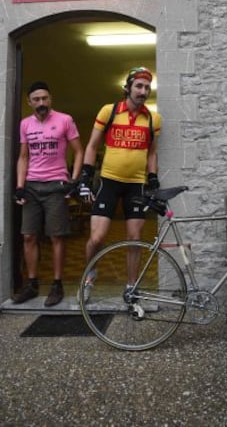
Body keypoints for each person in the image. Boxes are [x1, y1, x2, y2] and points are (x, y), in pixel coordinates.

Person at [77, 66, 161, 312]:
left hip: (136, 184)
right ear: (128, 87)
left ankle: (131, 287)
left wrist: (153, 178)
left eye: (147, 87)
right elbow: (92, 146)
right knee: (97, 237)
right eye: (139, 86)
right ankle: (90, 273)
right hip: (109, 181)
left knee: (135, 239)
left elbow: (152, 152)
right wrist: (85, 177)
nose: (143, 91)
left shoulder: (152, 119)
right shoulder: (109, 111)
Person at [13, 81, 83, 306]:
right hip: (32, 186)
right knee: (29, 236)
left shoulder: (65, 120)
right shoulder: (25, 124)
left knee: (56, 236)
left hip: (56, 185)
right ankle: (32, 284)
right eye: (36, 99)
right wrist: (19, 186)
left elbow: (79, 151)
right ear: (29, 102)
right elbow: (24, 156)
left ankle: (57, 284)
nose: (41, 103)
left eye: (45, 98)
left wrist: (73, 180)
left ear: (50, 99)